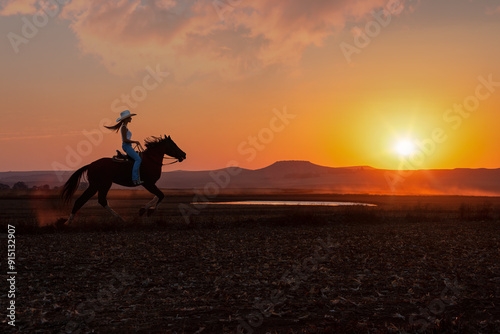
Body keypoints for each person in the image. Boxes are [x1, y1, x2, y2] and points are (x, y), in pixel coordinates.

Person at [105, 110, 144, 185]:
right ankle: (135, 179)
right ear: (126, 119)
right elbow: (125, 140)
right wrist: (135, 141)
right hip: (126, 146)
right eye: (130, 117)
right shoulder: (123, 127)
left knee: (136, 158)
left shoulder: (125, 127)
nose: (131, 118)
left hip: (128, 146)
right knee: (138, 159)